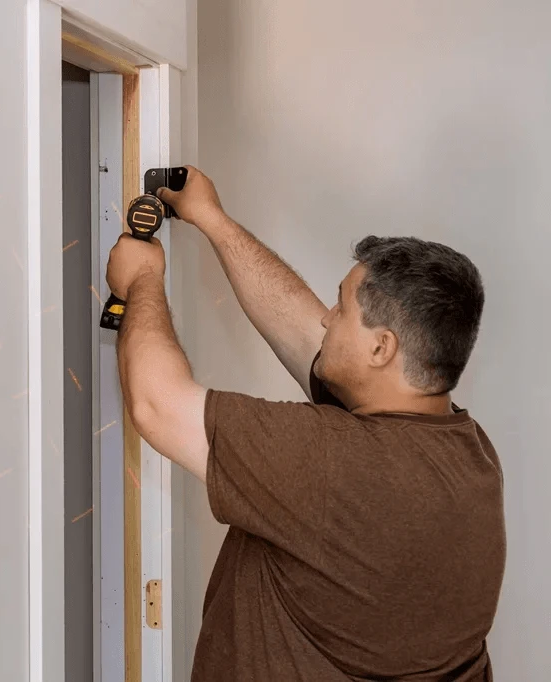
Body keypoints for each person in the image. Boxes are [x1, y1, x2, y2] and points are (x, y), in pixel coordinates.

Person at [105, 166, 506, 681]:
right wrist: (212, 220)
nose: (325, 317)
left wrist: (141, 281)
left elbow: (156, 404)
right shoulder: (466, 452)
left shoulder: (334, 466)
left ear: (382, 348)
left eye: (341, 307)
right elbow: (302, 335)